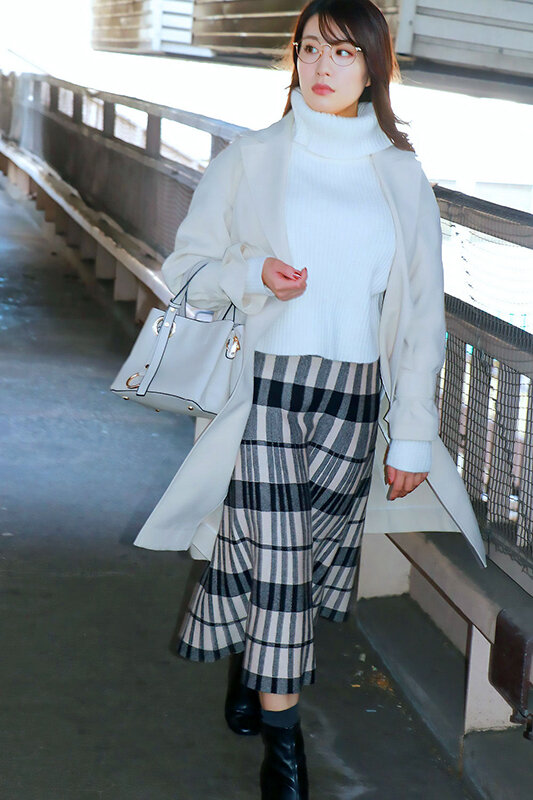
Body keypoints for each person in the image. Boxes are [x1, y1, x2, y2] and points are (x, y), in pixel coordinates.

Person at [133, 1, 487, 797]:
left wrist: (411, 433)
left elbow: (421, 314)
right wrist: (249, 273)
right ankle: (286, 751)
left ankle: (250, 662)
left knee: (304, 558)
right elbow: (186, 270)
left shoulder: (399, 174)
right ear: (292, 58)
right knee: (285, 564)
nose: (321, 66)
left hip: (354, 397)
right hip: (263, 390)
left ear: (373, 67)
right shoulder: (252, 157)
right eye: (308, 49)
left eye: (342, 52)